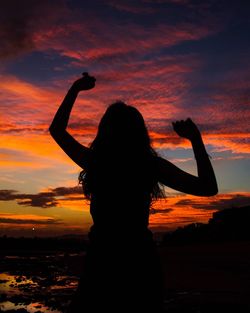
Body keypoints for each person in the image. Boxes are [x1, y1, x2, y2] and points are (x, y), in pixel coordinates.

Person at [49, 73, 218, 312]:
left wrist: (75, 89)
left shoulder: (97, 162)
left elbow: (57, 130)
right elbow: (208, 188)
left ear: (104, 131)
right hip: (139, 262)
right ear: (140, 134)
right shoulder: (148, 165)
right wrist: (195, 139)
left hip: (103, 262)